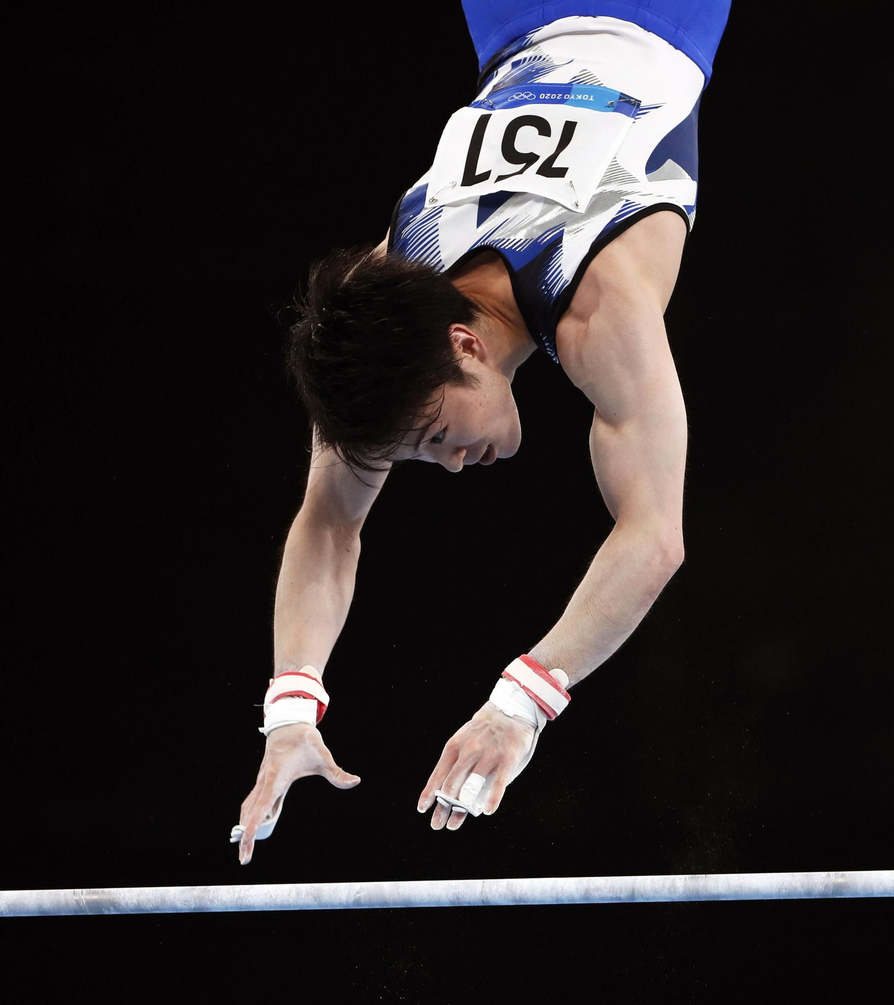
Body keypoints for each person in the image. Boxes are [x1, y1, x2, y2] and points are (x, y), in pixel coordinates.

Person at [233, 1, 732, 863]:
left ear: (465, 345)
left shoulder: (597, 306)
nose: (453, 465)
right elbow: (328, 518)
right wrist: (289, 708)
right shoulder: (380, 304)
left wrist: (521, 702)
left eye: (433, 434)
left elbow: (654, 536)